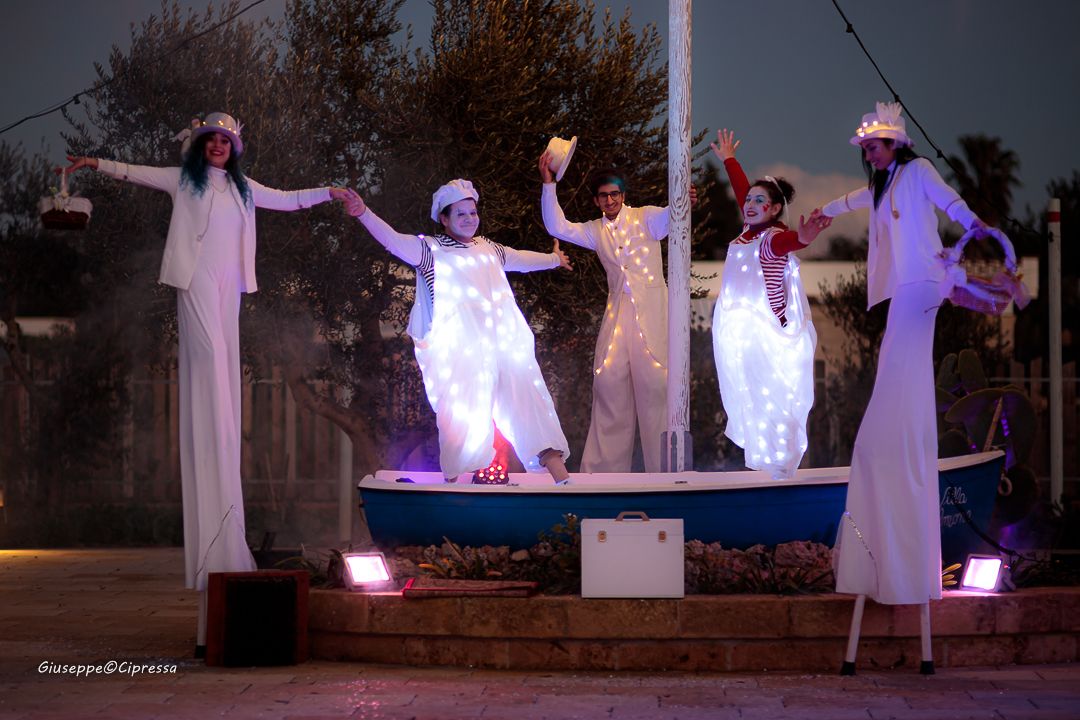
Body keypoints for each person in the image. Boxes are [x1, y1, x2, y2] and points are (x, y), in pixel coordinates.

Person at [61, 112, 350, 653]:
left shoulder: (244, 188)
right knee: (211, 352)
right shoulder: (181, 179)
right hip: (193, 278)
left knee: (227, 351)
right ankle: (215, 407)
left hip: (230, 285)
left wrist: (327, 193)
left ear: (234, 148)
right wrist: (93, 163)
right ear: (200, 146)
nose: (217, 146)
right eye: (210, 140)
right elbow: (133, 172)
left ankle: (223, 416)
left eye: (225, 140)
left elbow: (287, 198)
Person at [810, 102, 992, 605]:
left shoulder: (919, 172)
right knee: (896, 362)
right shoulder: (879, 186)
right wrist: (825, 211)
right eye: (866, 148)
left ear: (896, 144)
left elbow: (949, 199)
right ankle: (893, 434)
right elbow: (852, 198)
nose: (868, 153)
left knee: (900, 361)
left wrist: (972, 222)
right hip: (904, 288)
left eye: (874, 145)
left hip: (926, 281)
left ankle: (896, 438)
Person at [342, 180, 574, 484]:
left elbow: (520, 259)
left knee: (531, 407)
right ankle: (452, 489)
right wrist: (363, 213)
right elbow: (393, 241)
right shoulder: (430, 250)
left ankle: (563, 482)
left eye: (473, 212)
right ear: (444, 218)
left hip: (506, 348)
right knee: (462, 424)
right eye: (461, 214)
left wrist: (554, 259)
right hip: (464, 357)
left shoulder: (488, 248)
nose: (469, 219)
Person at [538, 157, 696, 473]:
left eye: (614, 194)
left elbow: (671, 217)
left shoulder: (646, 217)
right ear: (596, 200)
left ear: (623, 195)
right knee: (609, 390)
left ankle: (666, 472)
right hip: (617, 317)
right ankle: (602, 476)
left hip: (652, 316)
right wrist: (549, 183)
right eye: (603, 196)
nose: (609, 200)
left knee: (656, 394)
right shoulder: (595, 230)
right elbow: (557, 226)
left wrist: (683, 201)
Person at [709, 129, 831, 479]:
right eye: (749, 200)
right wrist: (730, 160)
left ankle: (779, 471)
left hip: (763, 336)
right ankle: (765, 470)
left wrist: (804, 237)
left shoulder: (772, 238)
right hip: (737, 334)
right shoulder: (747, 232)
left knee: (771, 404)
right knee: (751, 403)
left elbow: (792, 241)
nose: (750, 204)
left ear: (776, 209)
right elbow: (741, 193)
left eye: (759, 201)